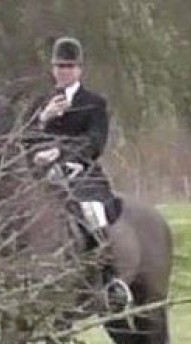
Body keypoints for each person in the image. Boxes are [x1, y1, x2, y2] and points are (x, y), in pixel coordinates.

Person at [26, 37, 126, 304]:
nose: (63, 71)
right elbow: (23, 139)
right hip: (41, 175)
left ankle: (110, 277)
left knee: (92, 211)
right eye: (59, 66)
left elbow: (95, 141)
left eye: (69, 66)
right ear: (52, 69)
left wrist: (60, 152)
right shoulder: (40, 104)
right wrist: (43, 119)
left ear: (79, 69)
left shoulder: (94, 103)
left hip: (81, 173)